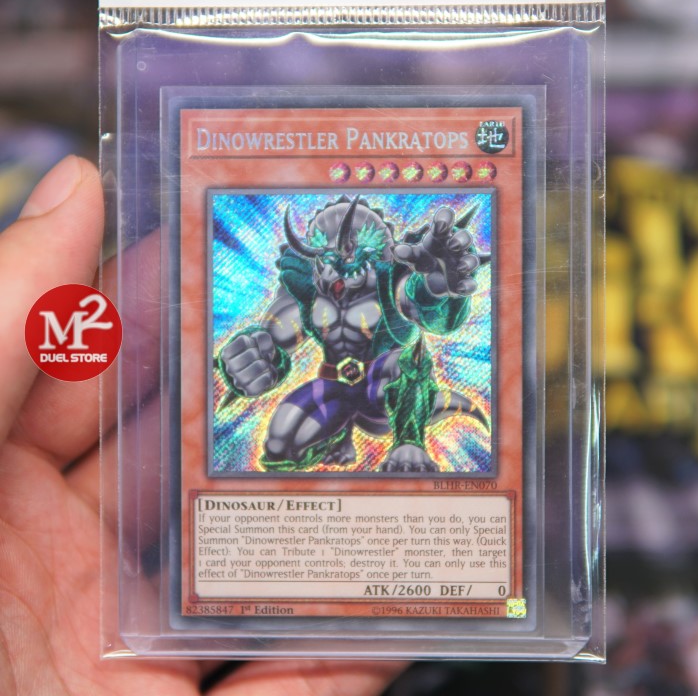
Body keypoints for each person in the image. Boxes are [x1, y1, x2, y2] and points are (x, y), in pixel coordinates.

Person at [0, 156, 407, 695]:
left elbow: (434, 308)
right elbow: (274, 339)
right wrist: (251, 357)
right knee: (280, 440)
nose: (339, 275)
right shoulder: (305, 291)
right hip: (333, 390)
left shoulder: (397, 288)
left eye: (353, 264)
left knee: (395, 408)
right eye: (329, 263)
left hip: (387, 392)